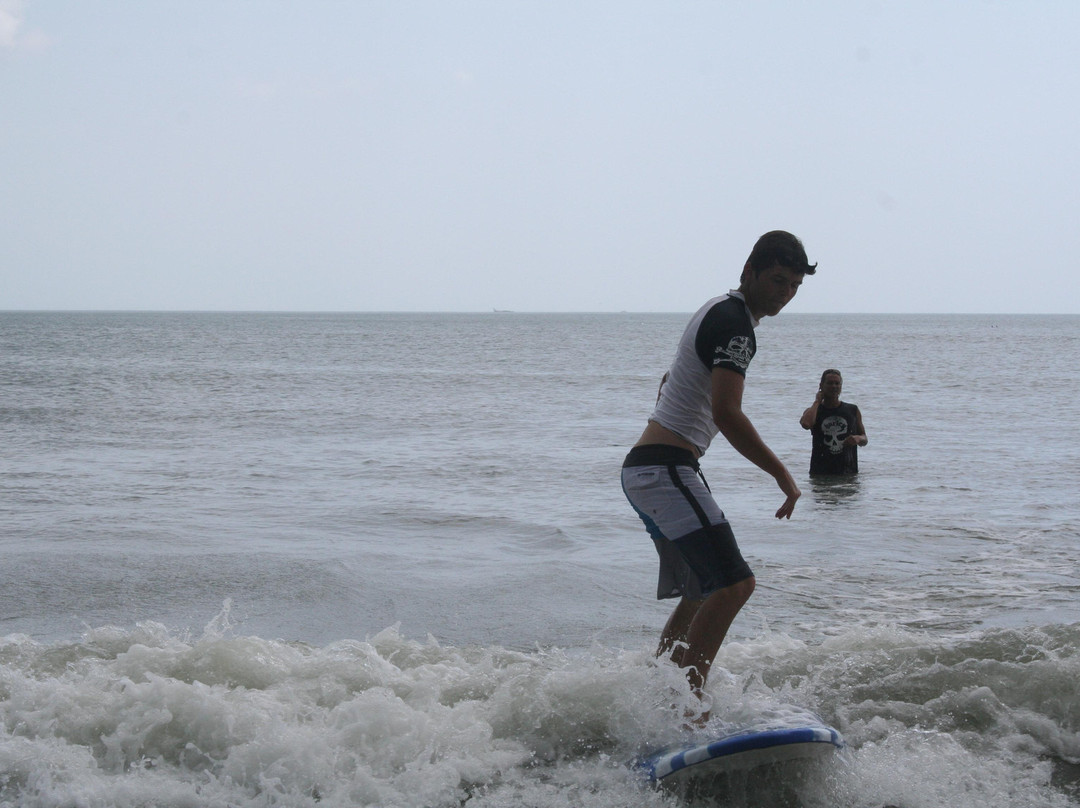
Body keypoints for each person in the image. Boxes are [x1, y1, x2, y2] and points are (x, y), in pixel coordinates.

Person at [621, 230, 816, 707]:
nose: (784, 294)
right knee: (735, 584)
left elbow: (674, 377)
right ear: (749, 271)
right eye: (776, 280)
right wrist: (783, 476)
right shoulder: (736, 325)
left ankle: (662, 695)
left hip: (653, 469)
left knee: (702, 591)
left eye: (793, 285)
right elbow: (728, 414)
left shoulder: (716, 309)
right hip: (663, 469)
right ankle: (688, 710)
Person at [799, 369, 867, 475]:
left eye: (837, 383)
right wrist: (817, 401)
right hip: (820, 473)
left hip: (848, 474)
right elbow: (806, 424)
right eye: (830, 383)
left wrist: (857, 438)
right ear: (821, 385)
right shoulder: (814, 411)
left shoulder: (852, 410)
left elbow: (864, 439)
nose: (834, 386)